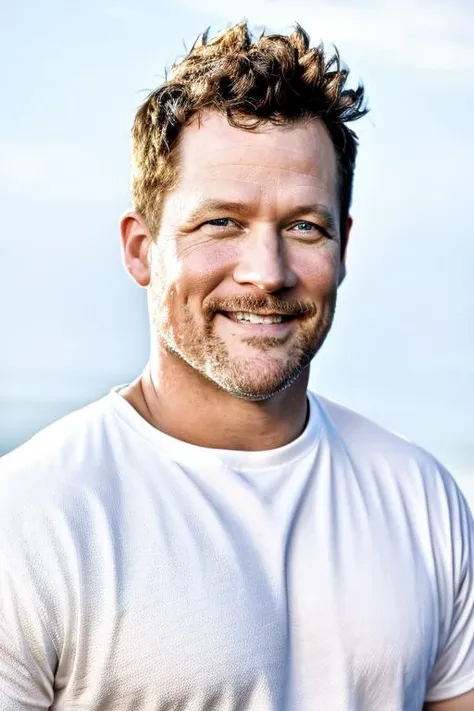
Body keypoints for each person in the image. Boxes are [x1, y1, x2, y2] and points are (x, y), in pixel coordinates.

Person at [0, 21, 472, 711]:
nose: (267, 273)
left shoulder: (422, 499)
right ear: (141, 249)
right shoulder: (33, 515)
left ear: (343, 245)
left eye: (304, 226)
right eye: (221, 222)